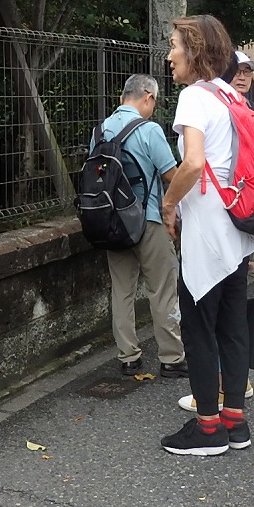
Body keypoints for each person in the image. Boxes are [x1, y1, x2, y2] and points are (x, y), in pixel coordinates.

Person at [159, 15, 254, 456]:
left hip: (206, 232)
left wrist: (168, 204)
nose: (169, 55)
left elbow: (194, 163)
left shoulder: (194, 97)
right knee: (232, 327)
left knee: (199, 330)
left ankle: (207, 429)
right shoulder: (230, 96)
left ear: (195, 50)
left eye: (174, 45)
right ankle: (234, 421)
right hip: (237, 229)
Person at [96, 74, 186, 378]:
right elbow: (172, 175)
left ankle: (128, 357)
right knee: (162, 288)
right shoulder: (149, 130)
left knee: (121, 290)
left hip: (112, 223)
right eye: (154, 101)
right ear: (147, 96)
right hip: (147, 219)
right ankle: (171, 358)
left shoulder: (100, 131)